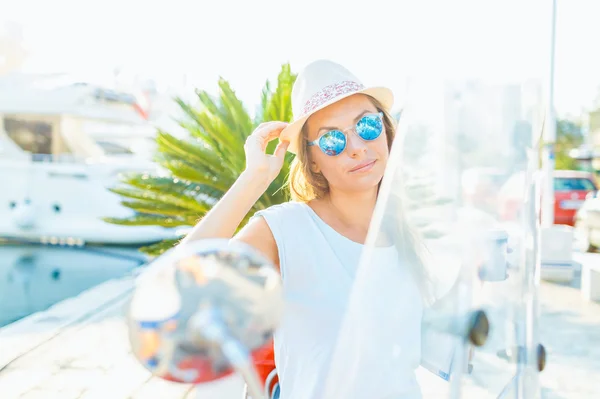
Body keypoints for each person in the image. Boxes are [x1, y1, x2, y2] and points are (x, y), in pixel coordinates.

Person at [181, 59, 426, 399]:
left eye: (367, 125)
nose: (356, 147)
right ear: (313, 162)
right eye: (332, 141)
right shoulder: (287, 228)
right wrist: (255, 178)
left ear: (386, 129)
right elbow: (182, 278)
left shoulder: (408, 227)